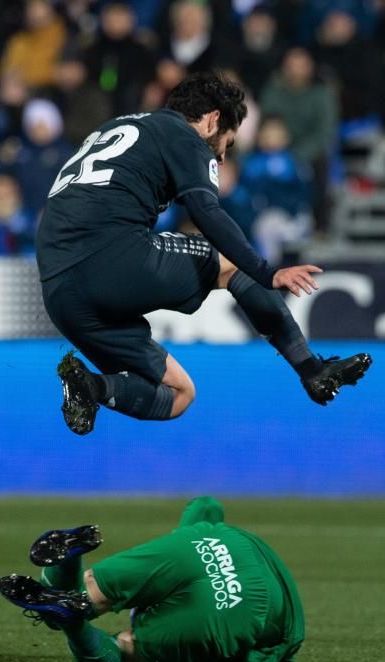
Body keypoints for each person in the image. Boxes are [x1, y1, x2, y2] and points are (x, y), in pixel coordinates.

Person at [35, 72, 371, 436]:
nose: (224, 157)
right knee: (229, 264)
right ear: (212, 120)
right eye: (227, 142)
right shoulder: (184, 134)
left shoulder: (119, 126)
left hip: (57, 288)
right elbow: (206, 211)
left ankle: (90, 386)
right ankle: (312, 370)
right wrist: (265, 271)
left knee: (179, 394)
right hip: (107, 254)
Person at [0, 496, 305, 662]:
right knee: (123, 653)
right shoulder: (289, 635)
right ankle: (71, 620)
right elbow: (266, 657)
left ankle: (67, 564)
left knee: (89, 588)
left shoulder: (198, 526)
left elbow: (206, 503)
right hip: (242, 603)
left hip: (209, 542)